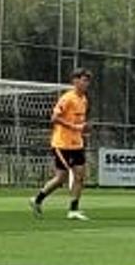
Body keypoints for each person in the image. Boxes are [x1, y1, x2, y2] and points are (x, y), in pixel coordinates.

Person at [31, 69, 93, 221]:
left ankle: (73, 210)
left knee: (80, 176)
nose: (86, 84)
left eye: (88, 81)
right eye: (84, 80)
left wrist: (83, 129)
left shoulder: (84, 99)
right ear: (75, 81)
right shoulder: (67, 98)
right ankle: (37, 199)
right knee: (61, 179)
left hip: (77, 144)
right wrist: (74, 127)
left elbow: (79, 122)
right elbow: (54, 118)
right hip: (62, 144)